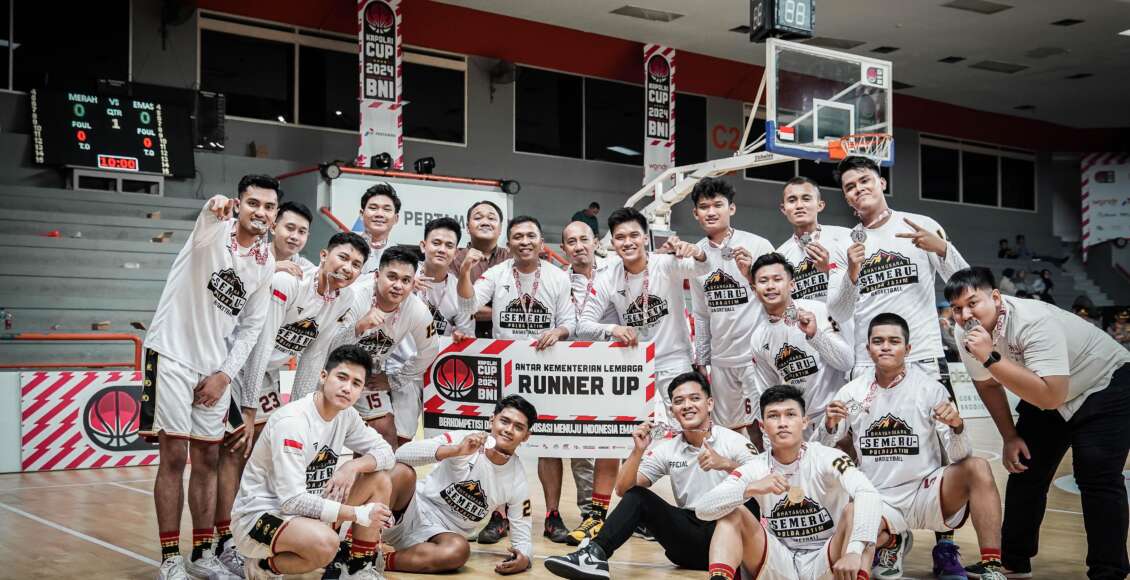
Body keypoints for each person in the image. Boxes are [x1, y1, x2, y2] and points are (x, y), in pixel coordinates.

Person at [829, 155, 971, 574]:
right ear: (846, 198)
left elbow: (964, 282)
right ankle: (886, 535)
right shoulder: (847, 242)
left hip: (922, 355)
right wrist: (851, 271)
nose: (858, 189)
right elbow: (838, 310)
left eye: (864, 180)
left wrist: (942, 248)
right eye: (850, 186)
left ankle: (946, 546)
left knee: (943, 449)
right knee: (868, 449)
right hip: (867, 363)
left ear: (882, 182)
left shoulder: (919, 224)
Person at [946, 267, 1130, 579]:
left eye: (972, 303)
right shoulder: (965, 332)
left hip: (1105, 383)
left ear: (995, 297)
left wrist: (990, 356)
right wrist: (1009, 436)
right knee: (1025, 468)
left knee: (1096, 476)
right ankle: (1013, 561)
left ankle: (1108, 571)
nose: (965, 315)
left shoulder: (1033, 321)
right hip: (1049, 389)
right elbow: (987, 385)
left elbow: (1051, 396)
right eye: (957, 308)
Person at [141, 175, 280, 580]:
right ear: (239, 204)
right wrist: (213, 205)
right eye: (253, 203)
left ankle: (203, 553)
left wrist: (224, 374)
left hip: (214, 367)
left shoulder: (265, 263)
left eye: (269, 206)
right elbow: (210, 213)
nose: (261, 212)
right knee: (173, 457)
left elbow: (251, 329)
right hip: (172, 354)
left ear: (275, 214)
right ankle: (170, 558)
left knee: (207, 459)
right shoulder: (213, 231)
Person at [213, 232, 370, 575]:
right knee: (235, 451)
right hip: (233, 367)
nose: (348, 268)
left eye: (356, 264)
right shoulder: (289, 282)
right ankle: (225, 541)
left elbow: (314, 356)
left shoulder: (344, 298)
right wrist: (249, 408)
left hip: (268, 374)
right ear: (324, 255)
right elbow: (261, 342)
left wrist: (303, 413)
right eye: (343, 258)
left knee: (267, 451)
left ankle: (268, 534)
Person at [819, 313, 1006, 580]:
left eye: (894, 341)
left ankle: (991, 566)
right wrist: (828, 426)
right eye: (878, 341)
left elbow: (959, 456)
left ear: (907, 349)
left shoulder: (931, 389)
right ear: (868, 349)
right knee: (853, 548)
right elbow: (822, 451)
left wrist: (957, 427)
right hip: (878, 498)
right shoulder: (851, 392)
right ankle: (892, 540)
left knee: (977, 467)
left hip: (926, 493)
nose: (885, 347)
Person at [543, 371, 759, 580]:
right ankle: (594, 555)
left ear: (709, 403)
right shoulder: (668, 449)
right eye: (679, 401)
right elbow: (623, 490)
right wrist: (637, 451)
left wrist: (726, 464)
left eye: (695, 398)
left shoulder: (734, 441)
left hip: (732, 535)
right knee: (638, 496)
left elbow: (763, 485)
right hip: (691, 539)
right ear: (672, 410)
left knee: (744, 505)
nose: (687, 405)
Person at [456, 215, 576, 544]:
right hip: (506, 368)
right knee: (500, 443)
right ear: (509, 244)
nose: (525, 241)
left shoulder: (557, 277)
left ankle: (552, 515)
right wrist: (465, 272)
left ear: (541, 242)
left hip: (545, 369)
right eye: (518, 236)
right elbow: (468, 305)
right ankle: (499, 515)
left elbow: (570, 322)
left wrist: (558, 332)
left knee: (550, 444)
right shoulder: (497, 273)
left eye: (530, 235)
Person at [230, 345, 396, 580]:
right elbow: (291, 501)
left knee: (379, 479)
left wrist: (352, 466)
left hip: (307, 511)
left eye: (356, 383)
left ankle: (358, 569)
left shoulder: (346, 415)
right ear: (323, 376)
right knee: (326, 544)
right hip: (259, 517)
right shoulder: (293, 422)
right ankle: (262, 566)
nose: (347, 388)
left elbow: (386, 453)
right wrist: (357, 514)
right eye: (342, 377)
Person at [693, 385, 885, 580]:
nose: (782, 423)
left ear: (804, 422)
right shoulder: (755, 467)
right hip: (779, 559)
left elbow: (868, 493)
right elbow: (702, 509)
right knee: (732, 513)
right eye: (773, 416)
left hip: (826, 556)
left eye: (790, 414)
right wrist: (749, 489)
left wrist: (854, 551)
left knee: (855, 511)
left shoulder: (829, 457)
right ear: (763, 426)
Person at [290, 247, 439, 449]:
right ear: (377, 275)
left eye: (405, 280)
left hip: (367, 376)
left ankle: (369, 470)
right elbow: (325, 346)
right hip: (325, 370)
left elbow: (430, 351)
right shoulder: (354, 296)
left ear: (413, 284)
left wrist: (394, 380)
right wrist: (358, 327)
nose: (398, 286)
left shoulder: (417, 310)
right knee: (315, 433)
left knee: (385, 431)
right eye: (392, 277)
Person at [578, 207, 709, 426]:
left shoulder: (665, 263)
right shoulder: (607, 277)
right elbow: (583, 326)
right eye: (620, 237)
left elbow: (705, 267)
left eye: (634, 235)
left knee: (685, 425)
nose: (627, 242)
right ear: (613, 243)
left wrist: (696, 251)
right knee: (632, 428)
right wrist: (613, 329)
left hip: (674, 359)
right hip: (635, 361)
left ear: (645, 239)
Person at [382, 395, 538, 575]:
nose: (509, 430)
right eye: (504, 421)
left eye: (518, 427)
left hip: (439, 536)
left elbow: (523, 537)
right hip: (410, 509)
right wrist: (456, 450)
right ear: (492, 420)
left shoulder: (518, 479)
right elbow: (401, 454)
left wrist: (524, 558)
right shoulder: (465, 439)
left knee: (459, 551)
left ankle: (376, 560)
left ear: (526, 436)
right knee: (402, 472)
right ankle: (362, 544)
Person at [545, 220, 622, 546]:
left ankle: (631, 513)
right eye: (571, 241)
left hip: (617, 369)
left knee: (620, 443)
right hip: (575, 370)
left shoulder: (615, 270)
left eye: (584, 239)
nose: (578, 246)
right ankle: (590, 513)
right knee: (579, 446)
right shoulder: (558, 281)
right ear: (563, 248)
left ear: (596, 242)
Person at [687, 177, 774, 439]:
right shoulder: (696, 255)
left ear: (731, 208)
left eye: (718, 205)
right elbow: (701, 313)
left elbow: (778, 298)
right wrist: (702, 360)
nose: (711, 212)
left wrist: (750, 274)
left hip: (756, 355)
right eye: (704, 207)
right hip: (721, 358)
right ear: (695, 213)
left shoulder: (758, 245)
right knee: (728, 432)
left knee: (764, 426)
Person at [383, 217, 475, 446]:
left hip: (439, 371)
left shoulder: (459, 287)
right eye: (436, 243)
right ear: (423, 246)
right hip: (400, 367)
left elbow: (467, 330)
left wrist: (460, 336)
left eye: (449, 245)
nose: (442, 249)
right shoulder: (403, 277)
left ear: (456, 252)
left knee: (444, 441)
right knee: (399, 436)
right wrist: (405, 289)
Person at [747, 253, 853, 439]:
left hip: (835, 416)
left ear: (792, 284)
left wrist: (814, 334)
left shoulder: (818, 311)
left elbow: (846, 362)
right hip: (796, 427)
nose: (770, 286)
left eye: (777, 279)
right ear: (754, 289)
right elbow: (768, 393)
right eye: (763, 281)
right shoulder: (758, 337)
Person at [774, 175, 855, 342]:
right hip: (805, 338)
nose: (799, 205)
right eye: (792, 200)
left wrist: (829, 268)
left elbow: (859, 286)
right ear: (783, 209)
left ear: (820, 205)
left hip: (848, 333)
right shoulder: (779, 256)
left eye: (806, 198)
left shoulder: (844, 237)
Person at [450, 200, 511, 338]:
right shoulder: (455, 260)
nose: (485, 222)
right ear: (467, 227)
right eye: (478, 218)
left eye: (491, 218)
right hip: (466, 339)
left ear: (501, 228)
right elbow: (457, 306)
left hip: (507, 339)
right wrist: (505, 313)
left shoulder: (511, 259)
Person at [358, 183, 400, 274]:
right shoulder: (346, 248)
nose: (379, 214)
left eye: (386, 209)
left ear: (396, 218)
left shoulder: (401, 256)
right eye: (373, 208)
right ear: (361, 214)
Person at [271, 201, 316, 276]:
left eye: (302, 232)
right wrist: (272, 267)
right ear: (273, 228)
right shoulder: (253, 255)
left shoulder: (308, 269)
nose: (295, 237)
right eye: (290, 228)